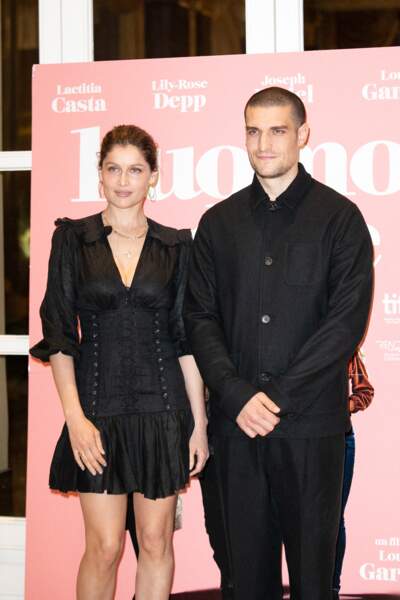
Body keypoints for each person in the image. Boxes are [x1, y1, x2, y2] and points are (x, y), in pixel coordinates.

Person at [184, 87, 373, 599]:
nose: (263, 143)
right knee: (244, 582)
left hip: (312, 427)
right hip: (235, 430)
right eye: (253, 130)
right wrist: (237, 394)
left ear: (302, 135)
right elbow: (200, 318)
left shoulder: (340, 219)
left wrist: (279, 398)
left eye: (277, 130)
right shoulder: (217, 224)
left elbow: (344, 323)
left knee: (315, 581)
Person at [30, 124, 209, 600]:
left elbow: (185, 339)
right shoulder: (73, 240)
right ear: (100, 175)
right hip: (97, 412)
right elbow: (61, 337)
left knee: (155, 542)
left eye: (135, 169)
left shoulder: (176, 246)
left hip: (163, 411)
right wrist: (75, 420)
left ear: (154, 176)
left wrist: (200, 425)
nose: (124, 180)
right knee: (104, 547)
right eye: (114, 168)